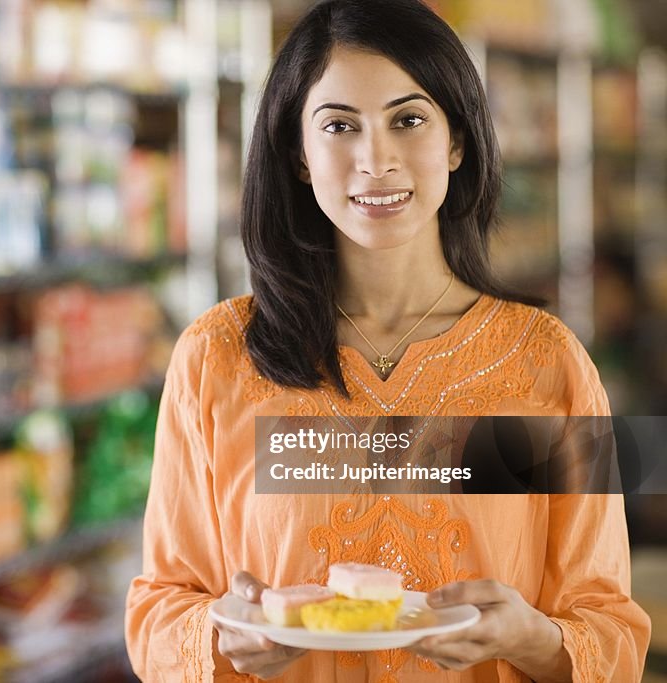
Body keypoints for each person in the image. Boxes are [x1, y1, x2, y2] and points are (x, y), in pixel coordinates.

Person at [124, 0, 651, 681]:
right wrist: (225, 634)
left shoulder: (547, 364)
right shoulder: (216, 356)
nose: (376, 160)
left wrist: (532, 638)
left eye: (408, 119)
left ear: (455, 141)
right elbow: (158, 610)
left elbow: (611, 630)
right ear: (301, 154)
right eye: (339, 125)